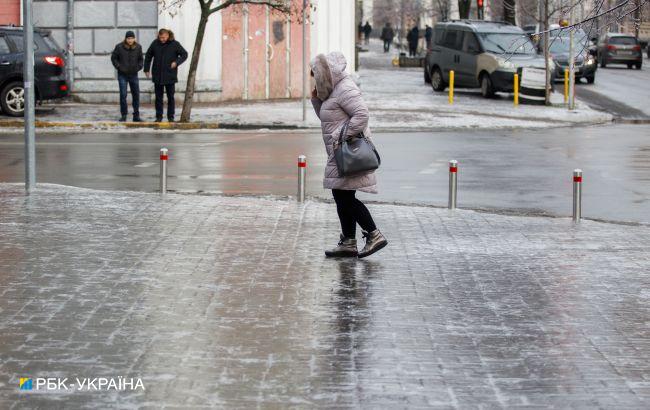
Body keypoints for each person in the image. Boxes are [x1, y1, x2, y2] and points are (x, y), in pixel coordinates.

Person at [309, 52, 388, 258]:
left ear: (327, 73)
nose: (314, 78)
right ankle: (349, 241)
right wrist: (316, 100)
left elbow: (362, 115)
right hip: (339, 152)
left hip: (348, 150)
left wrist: (340, 135)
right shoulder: (333, 91)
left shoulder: (345, 88)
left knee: (344, 197)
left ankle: (374, 234)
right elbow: (328, 118)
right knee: (342, 194)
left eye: (315, 74)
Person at [144, 29, 188, 122]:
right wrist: (146, 69)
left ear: (168, 35)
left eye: (163, 37)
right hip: (157, 75)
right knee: (158, 98)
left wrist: (176, 62)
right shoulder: (155, 43)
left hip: (170, 75)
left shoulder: (175, 44)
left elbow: (184, 54)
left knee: (170, 97)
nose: (162, 39)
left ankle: (170, 117)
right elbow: (148, 56)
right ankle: (158, 117)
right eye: (160, 38)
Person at [110, 31, 143, 122]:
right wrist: (119, 67)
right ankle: (124, 115)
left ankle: (136, 116)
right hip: (122, 75)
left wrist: (139, 67)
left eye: (132, 38)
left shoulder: (138, 47)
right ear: (125, 38)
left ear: (134, 38)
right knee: (123, 95)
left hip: (133, 75)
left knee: (136, 95)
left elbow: (141, 59)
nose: (130, 40)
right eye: (128, 38)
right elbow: (113, 58)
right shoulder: (119, 47)